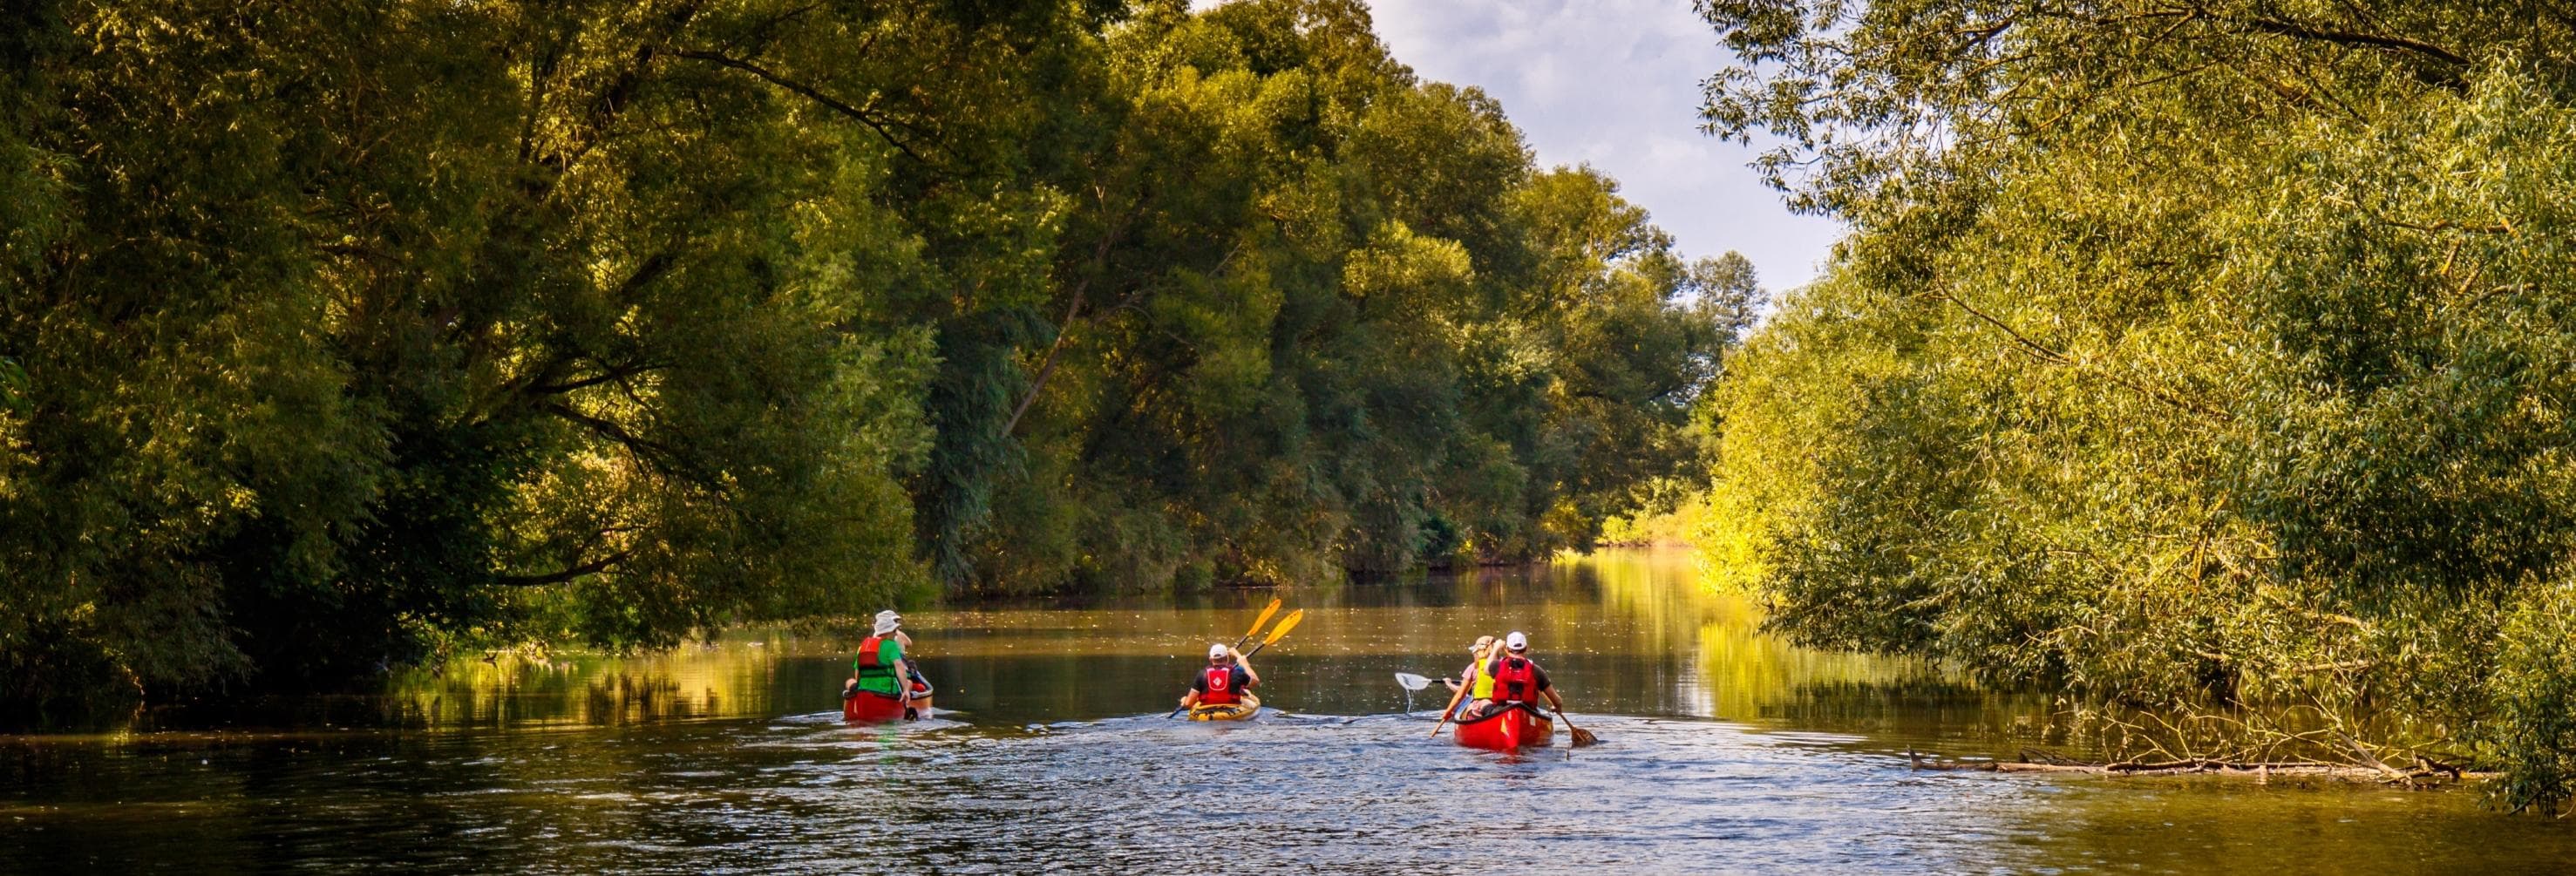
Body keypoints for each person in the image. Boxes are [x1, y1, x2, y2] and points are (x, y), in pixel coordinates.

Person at [845, 609, 920, 718]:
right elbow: (899, 665)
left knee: (850, 681)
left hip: (863, 691)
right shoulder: (891, 646)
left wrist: (861, 687)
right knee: (908, 683)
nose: (895, 632)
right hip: (884, 690)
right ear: (890, 631)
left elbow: (858, 672)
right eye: (894, 630)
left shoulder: (863, 646)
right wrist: (905, 690)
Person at [1475, 630, 1563, 718]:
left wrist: (1495, 649)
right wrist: (1557, 707)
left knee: (1484, 702)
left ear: (1508, 648)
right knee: (1540, 713)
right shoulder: (1536, 670)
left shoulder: (1497, 666)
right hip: (1528, 713)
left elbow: (1486, 670)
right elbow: (1557, 701)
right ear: (1526, 648)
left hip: (1501, 711)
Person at [1177, 642, 1260, 711]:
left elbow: (1189, 704)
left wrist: (1185, 700)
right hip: (1232, 710)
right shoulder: (1237, 673)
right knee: (1247, 693)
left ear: (1210, 659)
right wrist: (1244, 663)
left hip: (1207, 711)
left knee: (1185, 699)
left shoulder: (1202, 674)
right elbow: (1255, 682)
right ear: (1227, 658)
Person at [1451, 635, 1499, 718]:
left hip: (1480, 707)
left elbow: (1460, 695)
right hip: (1499, 705)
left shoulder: (1473, 667)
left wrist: (1448, 712)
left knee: (1470, 707)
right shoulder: (1505, 664)